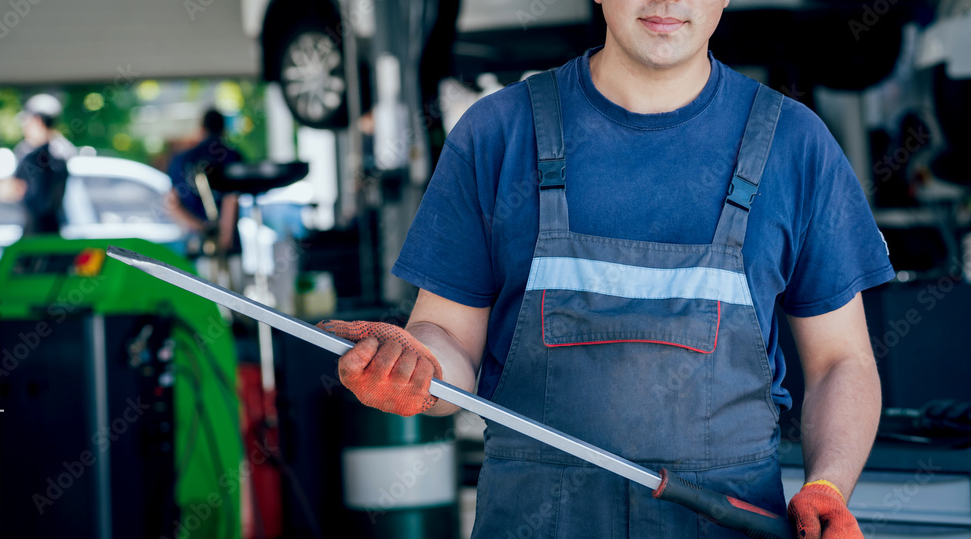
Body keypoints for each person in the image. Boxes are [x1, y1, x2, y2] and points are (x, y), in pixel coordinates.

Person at [320, 1, 894, 537]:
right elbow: (447, 342)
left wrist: (827, 486)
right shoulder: (498, 133)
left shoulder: (796, 146)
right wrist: (412, 371)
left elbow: (842, 362)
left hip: (724, 522)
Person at [165, 109, 243, 259]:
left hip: (194, 242)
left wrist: (199, 227)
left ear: (201, 128)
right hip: (228, 242)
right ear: (224, 129)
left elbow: (171, 203)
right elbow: (231, 199)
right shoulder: (232, 155)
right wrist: (224, 238)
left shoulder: (181, 159)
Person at [0, 94, 76, 235]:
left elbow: (11, 190)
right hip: (58, 232)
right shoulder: (63, 151)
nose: (25, 127)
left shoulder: (34, 156)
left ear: (37, 121)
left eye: (27, 121)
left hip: (34, 234)